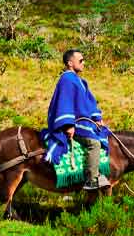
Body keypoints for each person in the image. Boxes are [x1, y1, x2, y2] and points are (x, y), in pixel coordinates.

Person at [46, 49, 111, 190]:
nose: (84, 63)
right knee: (94, 144)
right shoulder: (67, 79)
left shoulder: (80, 81)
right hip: (74, 124)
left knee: (105, 134)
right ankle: (91, 179)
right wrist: (68, 125)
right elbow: (64, 102)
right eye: (80, 60)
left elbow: (89, 101)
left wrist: (97, 117)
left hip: (83, 122)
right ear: (70, 63)